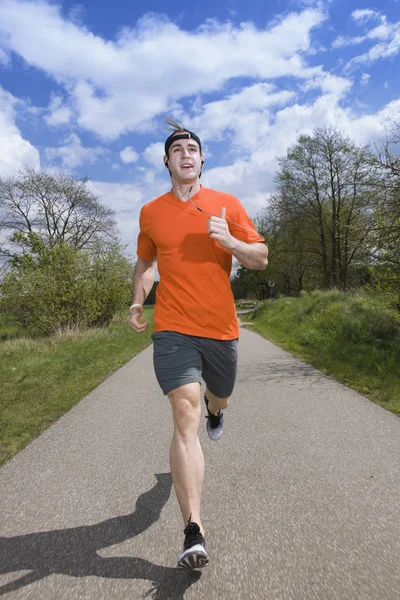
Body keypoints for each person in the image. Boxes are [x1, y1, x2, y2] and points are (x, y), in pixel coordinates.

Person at [129, 119, 268, 569]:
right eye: (177, 149)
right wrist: (137, 300)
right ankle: (194, 530)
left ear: (203, 159)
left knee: (216, 398)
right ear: (166, 160)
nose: (186, 154)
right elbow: (147, 263)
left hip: (221, 328)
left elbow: (261, 258)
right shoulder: (151, 212)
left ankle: (218, 410)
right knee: (183, 413)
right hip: (172, 326)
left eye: (193, 148)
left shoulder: (226, 204)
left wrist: (230, 240)